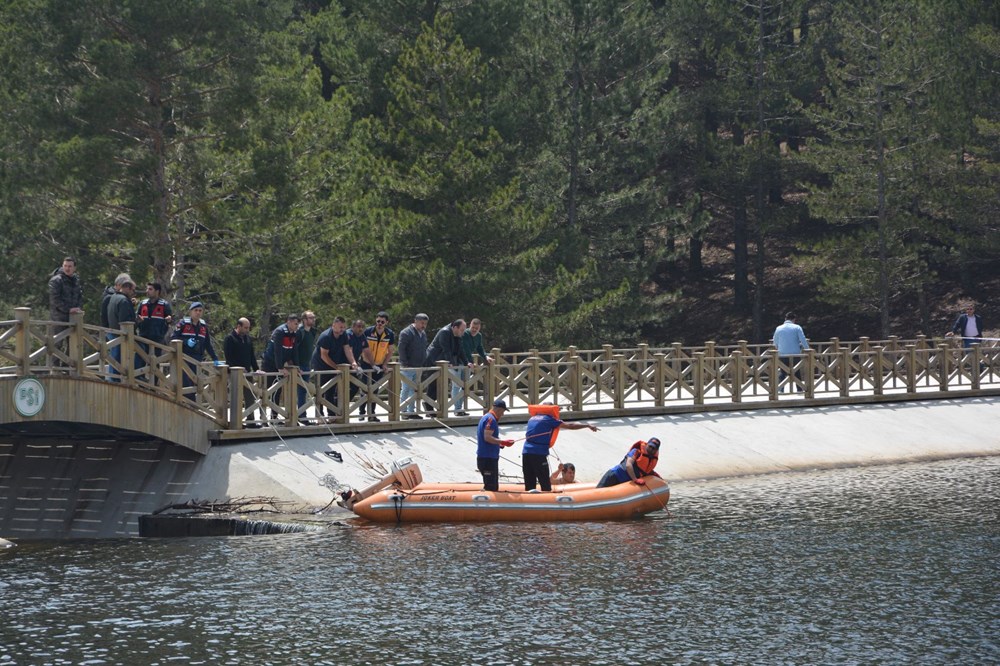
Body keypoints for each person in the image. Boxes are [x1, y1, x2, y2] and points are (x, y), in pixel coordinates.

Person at [521, 404, 599, 491]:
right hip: (538, 454)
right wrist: (587, 425)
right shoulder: (548, 419)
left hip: (526, 452)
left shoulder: (532, 418)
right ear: (550, 410)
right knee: (545, 485)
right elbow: (571, 426)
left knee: (529, 484)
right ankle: (547, 503)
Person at [171, 302, 219, 399]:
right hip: (184, 358)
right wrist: (186, 342)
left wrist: (215, 358)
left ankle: (192, 403)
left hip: (197, 359)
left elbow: (207, 344)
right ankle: (188, 403)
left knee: (195, 382)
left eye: (200, 311)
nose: (198, 313)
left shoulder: (203, 326)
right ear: (190, 312)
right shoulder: (183, 323)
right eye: (195, 310)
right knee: (186, 383)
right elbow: (173, 338)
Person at [425, 319, 471, 416]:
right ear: (455, 327)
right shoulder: (444, 332)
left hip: (443, 361)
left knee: (440, 385)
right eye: (462, 330)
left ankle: (430, 407)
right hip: (434, 360)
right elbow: (446, 349)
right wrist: (450, 362)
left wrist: (467, 362)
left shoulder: (457, 335)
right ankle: (429, 406)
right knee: (434, 384)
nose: (463, 332)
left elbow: (461, 350)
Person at [311, 316, 354, 418]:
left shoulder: (343, 335)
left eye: (344, 327)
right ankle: (319, 415)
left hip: (333, 364)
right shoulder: (325, 336)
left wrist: (353, 362)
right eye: (340, 327)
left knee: (331, 391)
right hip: (321, 365)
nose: (342, 330)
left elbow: (347, 349)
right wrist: (336, 367)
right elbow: (324, 355)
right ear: (333, 325)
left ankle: (331, 414)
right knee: (320, 391)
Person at [262, 314, 301, 421]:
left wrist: (296, 366)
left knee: (277, 391)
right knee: (267, 391)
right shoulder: (280, 332)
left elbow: (294, 351)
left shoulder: (295, 333)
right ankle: (263, 418)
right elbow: (277, 350)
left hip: (281, 363)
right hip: (269, 363)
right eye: (295, 323)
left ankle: (274, 418)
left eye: (298, 324)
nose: (297, 326)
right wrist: (279, 367)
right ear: (288, 322)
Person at [224, 317, 261, 424]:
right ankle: (236, 421)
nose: (247, 330)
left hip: (247, 373)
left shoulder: (248, 339)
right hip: (234, 373)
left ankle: (251, 420)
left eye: (248, 328)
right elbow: (228, 357)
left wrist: (257, 369)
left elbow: (252, 357)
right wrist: (237, 368)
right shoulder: (229, 338)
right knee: (236, 397)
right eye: (245, 328)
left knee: (250, 396)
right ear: (238, 326)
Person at [360, 312, 395, 422]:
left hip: (379, 364)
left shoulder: (389, 334)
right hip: (366, 363)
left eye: (382, 322)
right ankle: (362, 412)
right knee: (365, 388)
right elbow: (361, 347)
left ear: (386, 323)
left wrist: (385, 364)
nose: (379, 323)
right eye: (378, 321)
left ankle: (372, 414)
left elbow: (391, 351)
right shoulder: (368, 331)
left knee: (375, 389)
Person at [135, 282, 173, 383]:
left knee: (154, 362)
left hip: (157, 338)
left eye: (150, 289)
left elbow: (170, 319)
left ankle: (154, 385)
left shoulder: (164, 304)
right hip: (143, 337)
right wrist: (138, 320)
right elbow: (136, 318)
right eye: (147, 289)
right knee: (141, 359)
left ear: (157, 291)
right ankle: (140, 381)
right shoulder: (142, 304)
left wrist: (169, 320)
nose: (147, 291)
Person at [476, 399, 514, 491]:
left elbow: (488, 438)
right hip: (488, 458)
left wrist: (498, 444)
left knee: (491, 485)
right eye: (503, 411)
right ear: (499, 409)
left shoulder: (486, 417)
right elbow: (487, 437)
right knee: (491, 487)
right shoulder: (491, 420)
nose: (503, 414)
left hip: (485, 456)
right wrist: (502, 442)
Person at [397, 313, 429, 419]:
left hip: (418, 366)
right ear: (415, 321)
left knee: (414, 389)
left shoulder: (423, 333)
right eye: (421, 323)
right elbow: (401, 348)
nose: (423, 325)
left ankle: (412, 411)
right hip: (408, 366)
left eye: (425, 323)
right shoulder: (406, 332)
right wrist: (404, 363)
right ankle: (403, 411)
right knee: (406, 388)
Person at [596, 437, 661, 488]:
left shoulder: (651, 459)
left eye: (653, 448)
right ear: (647, 445)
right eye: (650, 446)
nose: (651, 449)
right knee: (598, 493)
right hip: (614, 476)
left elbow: (645, 470)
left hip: (624, 482)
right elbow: (628, 465)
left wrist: (659, 478)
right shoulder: (636, 451)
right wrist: (635, 479)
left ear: (656, 450)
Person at [458, 317, 492, 413]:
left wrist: (486, 357)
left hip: (468, 363)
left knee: (465, 385)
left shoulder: (479, 336)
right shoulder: (464, 334)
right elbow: (464, 350)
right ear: (470, 326)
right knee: (457, 384)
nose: (474, 330)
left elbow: (480, 348)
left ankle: (461, 408)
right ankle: (457, 409)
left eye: (476, 328)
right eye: (473, 327)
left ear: (479, 328)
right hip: (459, 361)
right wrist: (470, 362)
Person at [105, 277, 136, 381]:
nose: (133, 293)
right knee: (117, 359)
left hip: (112, 331)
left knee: (114, 358)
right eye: (133, 290)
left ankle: (113, 378)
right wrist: (137, 321)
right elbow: (125, 320)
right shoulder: (124, 301)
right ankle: (115, 380)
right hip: (120, 335)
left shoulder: (113, 297)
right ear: (127, 288)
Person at [772, 312, 809, 390]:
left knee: (782, 372)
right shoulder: (797, 327)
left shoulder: (779, 328)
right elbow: (802, 339)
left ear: (785, 319)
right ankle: (799, 389)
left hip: (782, 353)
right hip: (795, 353)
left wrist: (777, 348)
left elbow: (775, 341)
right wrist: (807, 348)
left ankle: (780, 389)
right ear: (794, 319)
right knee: (797, 372)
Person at [48, 257, 84, 322]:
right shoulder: (56, 280)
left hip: (74, 319)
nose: (67, 268)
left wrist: (78, 308)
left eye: (70, 266)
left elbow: (80, 297)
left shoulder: (76, 281)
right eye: (65, 266)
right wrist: (69, 309)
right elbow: (55, 300)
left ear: (74, 268)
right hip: (59, 320)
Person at [296, 310, 318, 415]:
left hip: (307, 364)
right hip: (298, 365)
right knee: (296, 390)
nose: (313, 319)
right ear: (304, 320)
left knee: (304, 390)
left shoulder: (313, 331)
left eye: (314, 317)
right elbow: (294, 349)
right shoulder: (299, 332)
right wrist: (295, 365)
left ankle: (302, 414)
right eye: (311, 318)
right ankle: (298, 414)